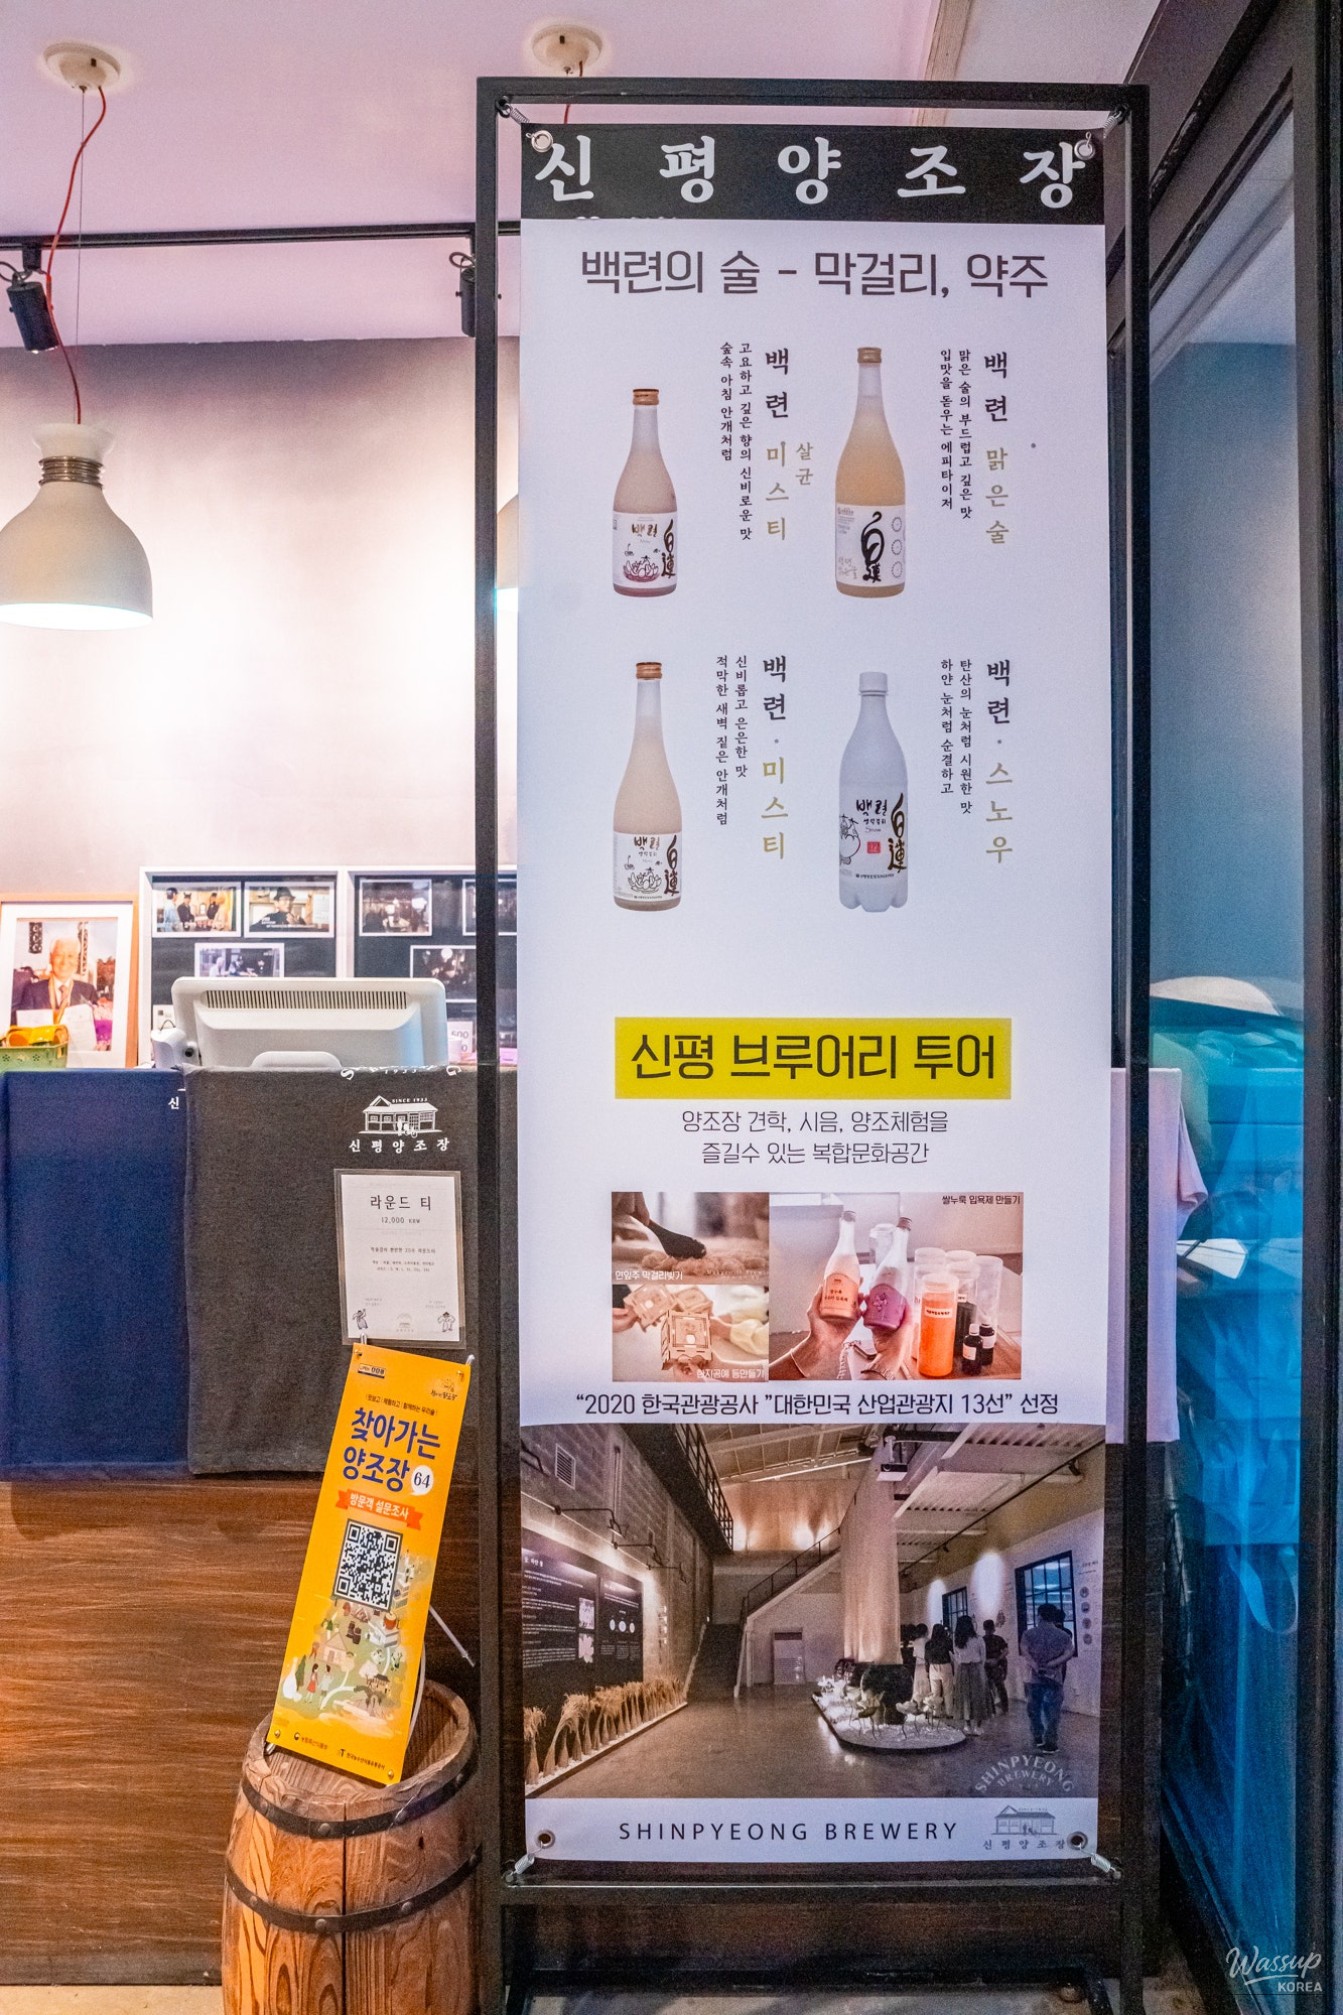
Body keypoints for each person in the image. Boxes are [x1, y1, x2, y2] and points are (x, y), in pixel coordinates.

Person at [11, 938, 100, 1052]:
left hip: (79, 1058)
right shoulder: (32, 991)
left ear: (77, 961)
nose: (64, 962)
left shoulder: (88, 991)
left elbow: (98, 1032)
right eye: (59, 955)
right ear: (50, 958)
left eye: (70, 956)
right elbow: (21, 1031)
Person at [1020, 1601, 1075, 1752]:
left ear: (1039, 1616)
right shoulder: (1063, 1635)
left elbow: (1024, 1650)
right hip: (1054, 1677)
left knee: (1034, 1708)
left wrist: (1035, 1664)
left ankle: (1038, 1736)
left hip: (1035, 1677)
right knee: (1053, 1710)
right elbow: (1069, 1652)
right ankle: (1051, 1742)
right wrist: (1054, 1663)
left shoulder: (1029, 1634)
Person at [953, 1614, 989, 1732]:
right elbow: (983, 1656)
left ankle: (967, 1724)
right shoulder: (978, 1639)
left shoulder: (957, 1640)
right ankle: (977, 1726)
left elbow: (957, 1657)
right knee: (978, 1696)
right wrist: (980, 1667)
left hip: (962, 1669)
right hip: (976, 1668)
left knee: (964, 1697)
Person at [925, 1622, 955, 1719]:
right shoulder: (948, 1641)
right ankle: (949, 1712)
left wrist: (927, 1671)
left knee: (935, 1691)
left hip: (933, 1667)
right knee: (948, 1691)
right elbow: (953, 1653)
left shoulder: (929, 1644)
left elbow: (926, 1658)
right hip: (945, 1666)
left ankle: (936, 1713)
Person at [984, 1622, 1010, 1716]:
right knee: (1000, 1687)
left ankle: (992, 1710)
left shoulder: (982, 1640)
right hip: (997, 1665)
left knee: (989, 1688)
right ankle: (1004, 1708)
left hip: (988, 1666)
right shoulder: (998, 1639)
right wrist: (998, 1659)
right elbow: (1006, 1651)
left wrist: (988, 1661)